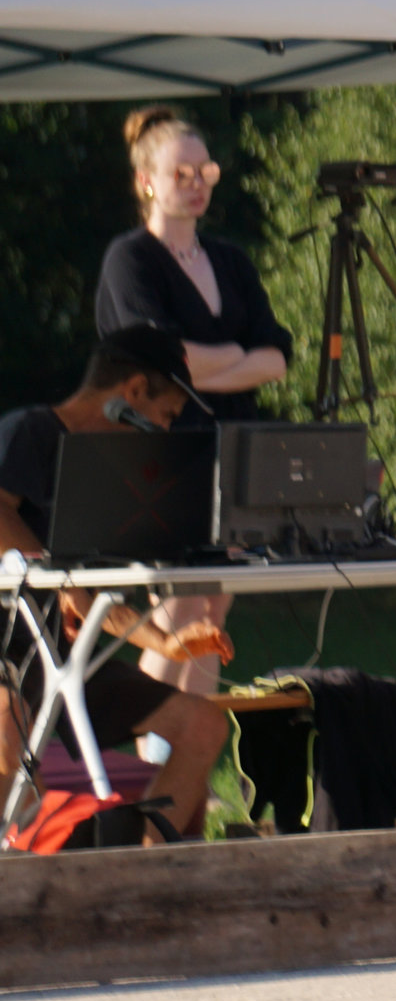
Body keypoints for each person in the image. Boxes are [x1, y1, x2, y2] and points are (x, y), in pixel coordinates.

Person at [0, 329, 236, 840]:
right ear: (132, 393)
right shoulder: (30, 432)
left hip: (59, 662)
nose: (163, 432)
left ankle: (144, 872)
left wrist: (164, 642)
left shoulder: (108, 471)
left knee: (204, 725)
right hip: (8, 658)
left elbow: (94, 596)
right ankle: (26, 874)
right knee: (6, 727)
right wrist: (55, 577)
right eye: (165, 416)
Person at [94, 107, 289, 694]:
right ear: (146, 181)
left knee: (213, 610)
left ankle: (187, 750)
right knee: (179, 608)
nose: (197, 182)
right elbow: (160, 360)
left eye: (205, 170)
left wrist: (205, 363)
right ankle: (151, 745)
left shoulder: (230, 260)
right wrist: (235, 356)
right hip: (161, 453)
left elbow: (277, 358)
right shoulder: (130, 259)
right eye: (181, 173)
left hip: (234, 453)